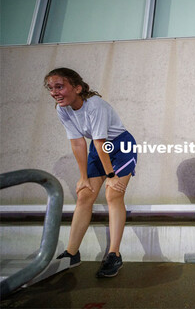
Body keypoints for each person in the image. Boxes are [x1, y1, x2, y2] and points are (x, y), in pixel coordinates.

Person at [45, 68, 137, 277]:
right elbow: (78, 144)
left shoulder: (94, 105)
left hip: (121, 146)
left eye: (60, 86)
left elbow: (99, 141)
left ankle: (114, 254)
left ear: (77, 88)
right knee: (84, 195)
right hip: (99, 148)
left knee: (113, 194)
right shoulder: (63, 109)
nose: (54, 92)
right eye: (51, 88)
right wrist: (84, 177)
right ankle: (71, 253)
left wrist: (111, 177)